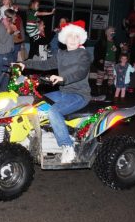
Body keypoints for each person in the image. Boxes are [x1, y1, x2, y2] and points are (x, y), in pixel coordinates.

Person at [18, 20, 92, 164]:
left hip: (79, 95)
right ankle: (39, 135)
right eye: (70, 36)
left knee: (53, 111)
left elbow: (81, 73)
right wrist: (24, 64)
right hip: (64, 92)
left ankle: (68, 147)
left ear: (80, 39)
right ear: (64, 37)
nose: (72, 39)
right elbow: (45, 64)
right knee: (36, 103)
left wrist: (62, 78)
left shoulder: (84, 55)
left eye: (76, 36)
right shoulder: (61, 54)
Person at [0, 9, 16, 94]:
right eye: (14, 16)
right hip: (1, 54)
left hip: (9, 54)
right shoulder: (1, 26)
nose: (15, 18)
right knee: (0, 75)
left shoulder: (9, 25)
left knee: (7, 75)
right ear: (10, 17)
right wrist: (9, 31)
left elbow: (12, 39)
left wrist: (12, 30)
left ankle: (3, 94)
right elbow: (2, 40)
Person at [93, 26, 120, 99]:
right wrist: (99, 59)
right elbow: (96, 51)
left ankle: (110, 90)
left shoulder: (115, 42)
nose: (112, 32)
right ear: (106, 33)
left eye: (113, 31)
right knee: (100, 76)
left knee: (111, 77)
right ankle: (98, 90)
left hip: (112, 62)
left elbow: (118, 52)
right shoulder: (101, 41)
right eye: (111, 31)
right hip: (103, 62)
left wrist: (117, 50)